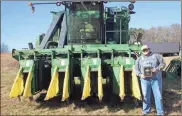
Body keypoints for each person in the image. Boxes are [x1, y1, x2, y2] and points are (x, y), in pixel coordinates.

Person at [134, 45, 166, 116]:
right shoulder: (139, 59)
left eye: (146, 49)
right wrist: (140, 75)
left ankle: (160, 112)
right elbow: (136, 69)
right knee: (145, 96)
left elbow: (163, 64)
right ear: (142, 51)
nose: (145, 51)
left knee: (158, 96)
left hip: (156, 80)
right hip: (145, 80)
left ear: (149, 49)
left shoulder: (156, 56)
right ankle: (146, 111)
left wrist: (157, 69)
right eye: (143, 50)